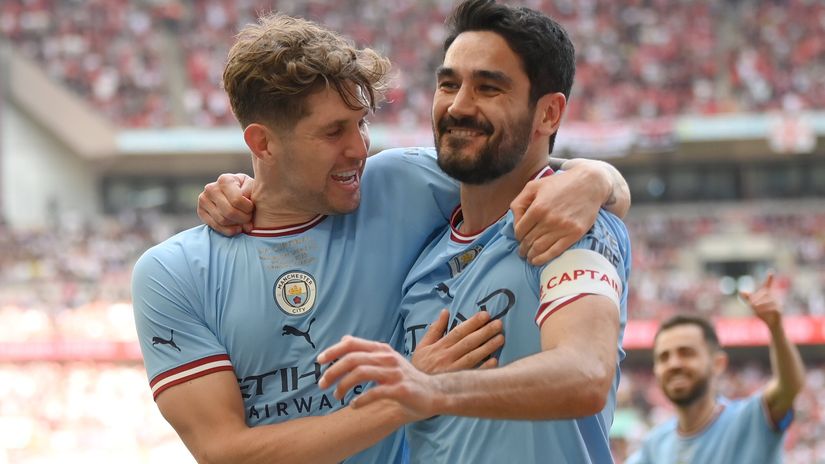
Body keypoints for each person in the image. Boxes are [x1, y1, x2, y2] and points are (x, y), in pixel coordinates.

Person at [134, 10, 629, 464]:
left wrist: (597, 177)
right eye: (333, 133)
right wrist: (409, 393)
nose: (360, 149)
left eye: (362, 124)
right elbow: (225, 454)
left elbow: (515, 163)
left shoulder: (399, 183)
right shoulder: (173, 273)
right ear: (262, 143)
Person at [316, 1, 631, 463]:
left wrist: (434, 387)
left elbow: (585, 374)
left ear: (548, 114)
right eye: (448, 84)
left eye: (489, 87)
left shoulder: (567, 225)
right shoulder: (425, 255)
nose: (459, 106)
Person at [625, 273, 806, 464]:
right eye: (664, 357)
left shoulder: (749, 420)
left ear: (718, 363)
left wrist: (776, 328)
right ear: (656, 370)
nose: (674, 364)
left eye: (686, 353)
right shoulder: (655, 446)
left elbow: (789, 386)